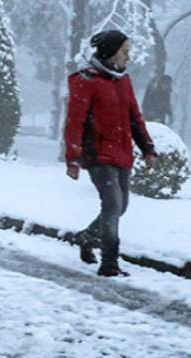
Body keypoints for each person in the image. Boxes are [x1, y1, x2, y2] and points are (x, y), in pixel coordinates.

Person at [64, 30, 157, 277]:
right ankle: (109, 263)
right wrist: (73, 158)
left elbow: (135, 118)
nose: (128, 57)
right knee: (113, 204)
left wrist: (147, 147)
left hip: (122, 152)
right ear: (111, 53)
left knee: (121, 205)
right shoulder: (86, 80)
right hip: (97, 154)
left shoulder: (123, 81)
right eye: (125, 52)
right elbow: (74, 121)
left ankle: (86, 237)